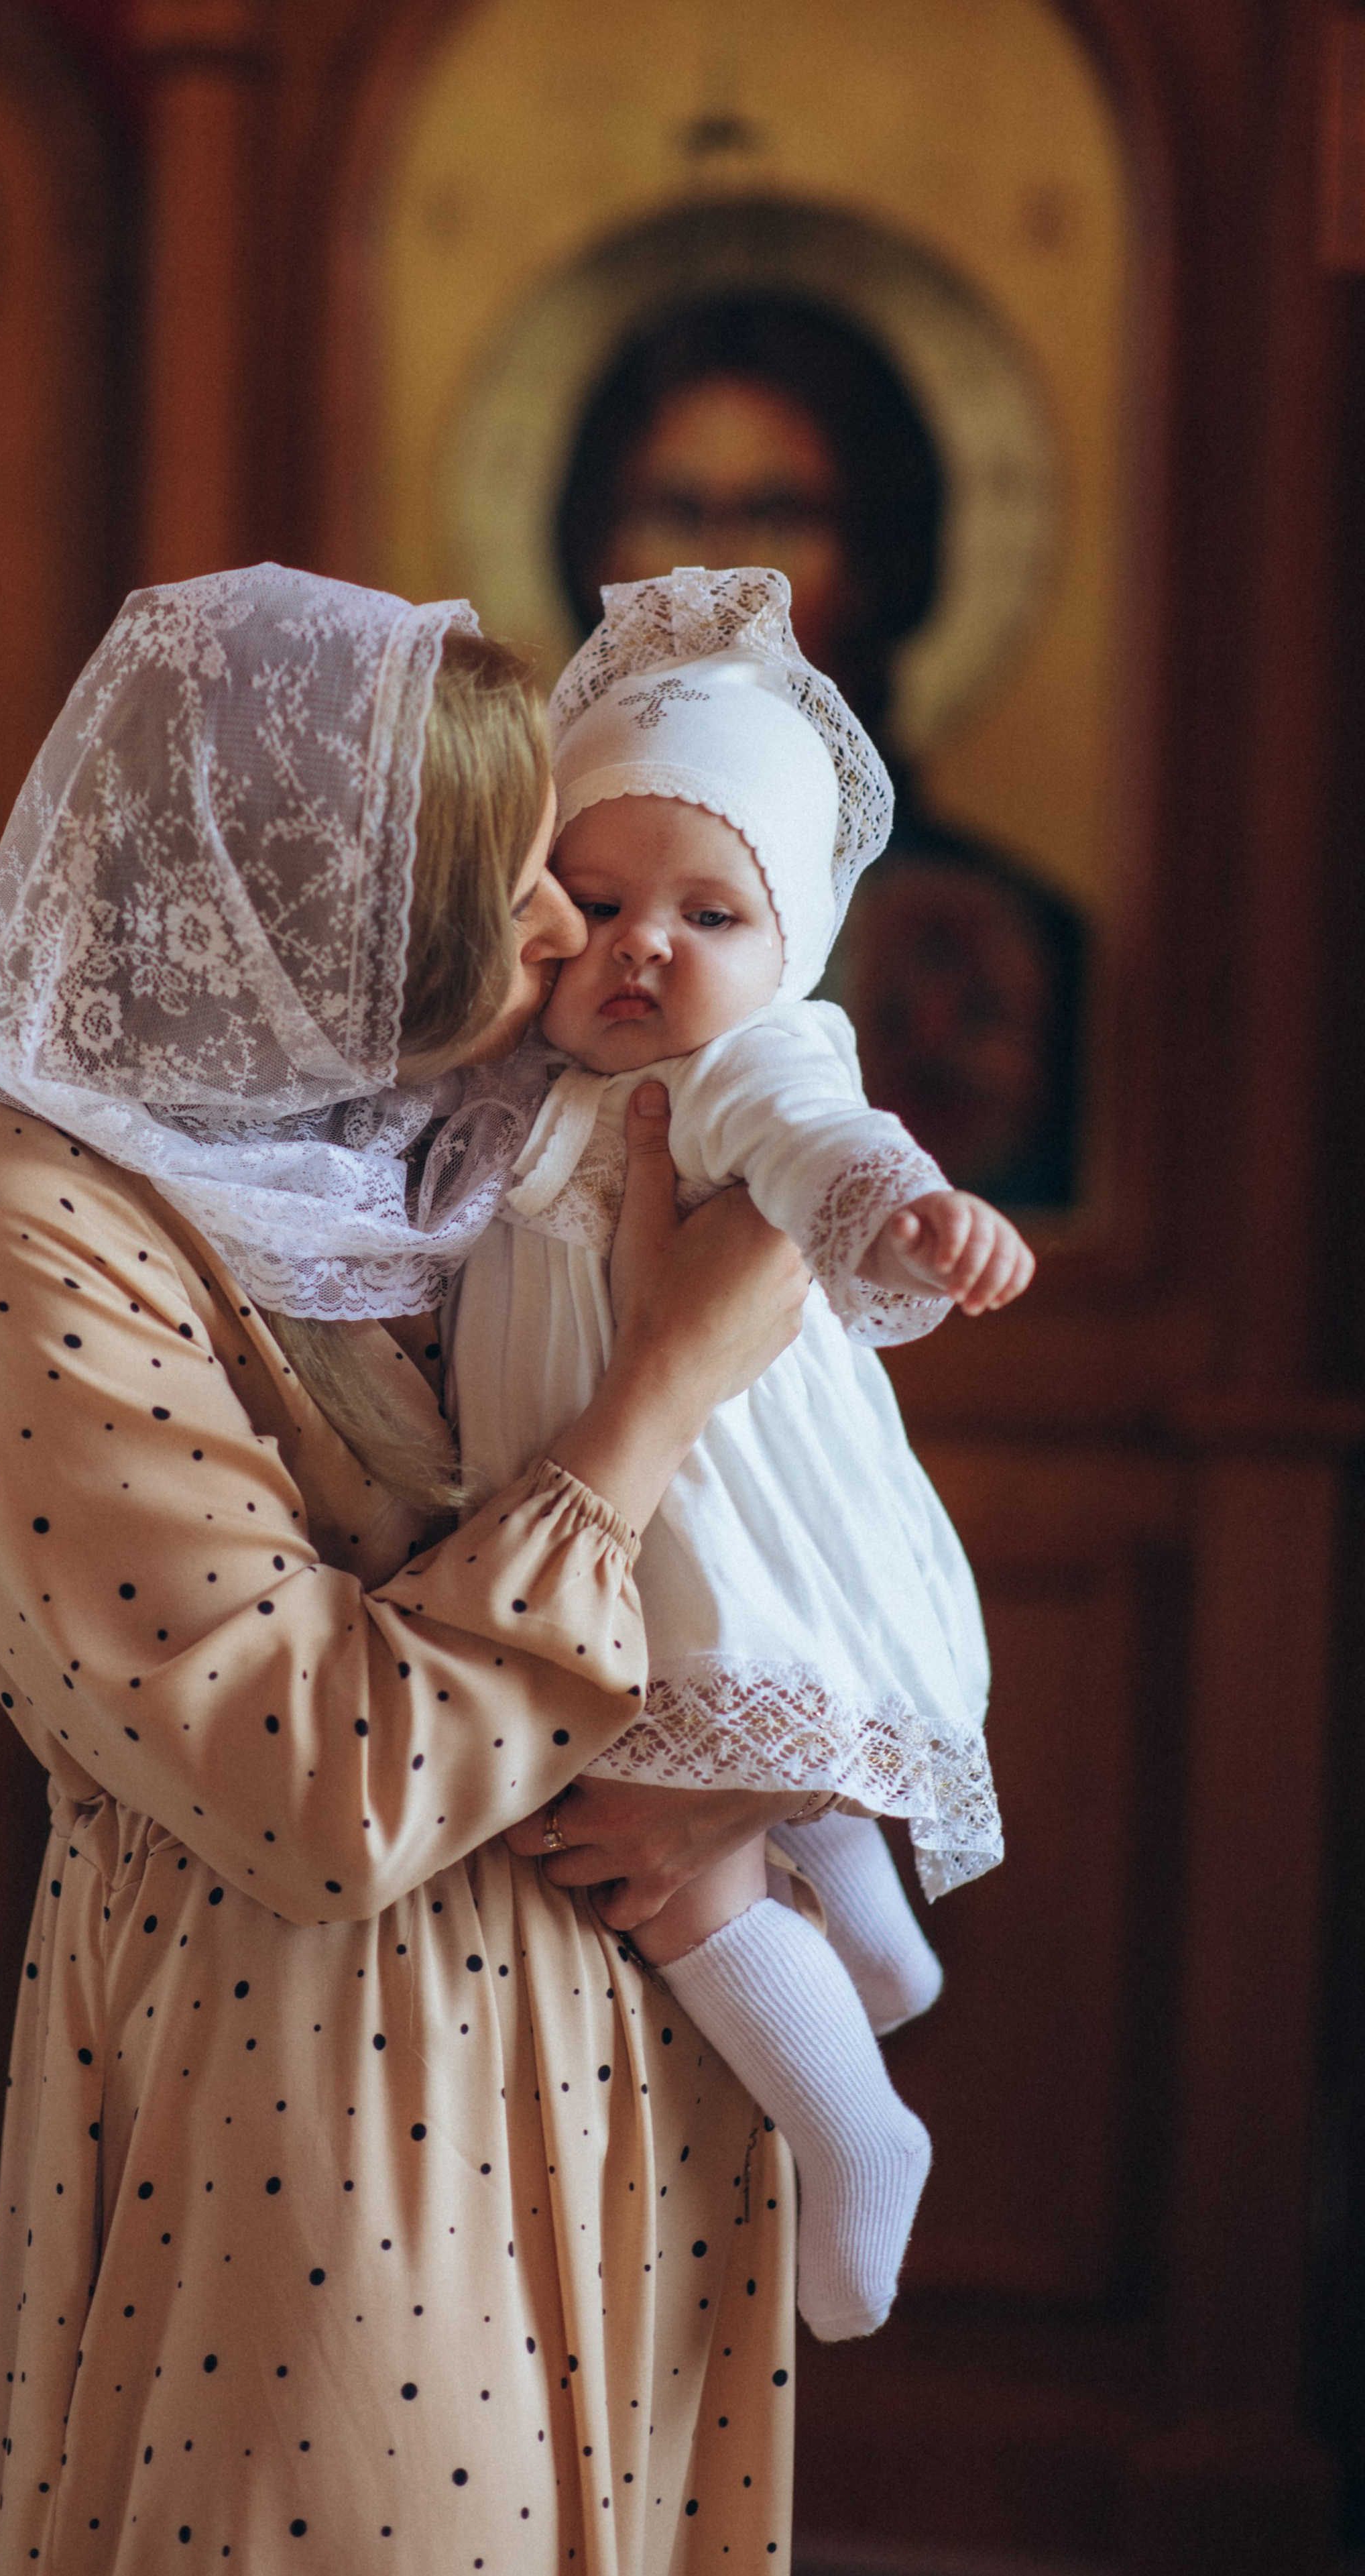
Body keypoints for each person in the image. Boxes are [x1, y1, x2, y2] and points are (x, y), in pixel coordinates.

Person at [0, 564, 819, 2572]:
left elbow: (789, 1508)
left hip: (630, 2032)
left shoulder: (458, 1130)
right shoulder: (15, 1202)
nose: (567, 927)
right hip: (315, 2087)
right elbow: (314, 1779)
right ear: (306, 897)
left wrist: (764, 1775)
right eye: (504, 875)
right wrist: (651, 1398)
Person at [445, 567, 1033, 2342]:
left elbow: (825, 1143)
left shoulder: (738, 1075)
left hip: (699, 1522)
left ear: (791, 955)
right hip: (643, 1515)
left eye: (711, 915)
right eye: (601, 899)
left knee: (676, 1823)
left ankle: (857, 2132)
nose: (645, 947)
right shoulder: (531, 1089)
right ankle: (871, 1947)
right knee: (752, 1741)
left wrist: (919, 1212)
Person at [556, 292, 1087, 1207]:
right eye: (676, 508)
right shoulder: (535, 899)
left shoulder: (997, 927)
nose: (721, 564)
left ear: (881, 555)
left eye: (781, 512)